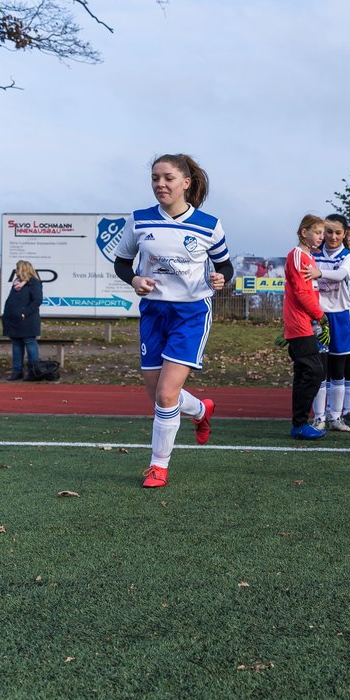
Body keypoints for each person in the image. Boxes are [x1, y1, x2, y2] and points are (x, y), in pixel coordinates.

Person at [113, 153, 232, 488]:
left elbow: (225, 267)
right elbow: (122, 263)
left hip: (191, 313)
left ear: (185, 183)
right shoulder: (139, 221)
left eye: (167, 178)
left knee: (167, 394)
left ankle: (158, 466)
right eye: (154, 178)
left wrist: (221, 278)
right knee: (158, 395)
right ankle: (200, 410)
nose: (160, 184)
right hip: (153, 313)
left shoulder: (209, 225)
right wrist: (134, 280)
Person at [314, 214, 350, 431]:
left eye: (338, 232)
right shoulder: (312, 254)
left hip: (341, 317)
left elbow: (341, 274)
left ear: (344, 234)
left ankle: (335, 417)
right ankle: (319, 417)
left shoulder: (349, 257)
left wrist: (318, 272)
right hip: (318, 317)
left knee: (338, 369)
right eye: (328, 231)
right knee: (320, 370)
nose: (333, 236)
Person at [284, 215, 327, 439]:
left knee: (306, 373)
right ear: (304, 233)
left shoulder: (309, 257)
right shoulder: (298, 255)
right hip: (300, 324)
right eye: (318, 232)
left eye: (322, 233)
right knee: (313, 371)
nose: (321, 237)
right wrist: (320, 316)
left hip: (305, 323)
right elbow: (301, 293)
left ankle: (299, 424)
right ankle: (300, 423)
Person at [1, 259, 43, 381]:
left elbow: (37, 301)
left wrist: (25, 312)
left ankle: (33, 371)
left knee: (30, 344)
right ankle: (17, 371)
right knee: (16, 345)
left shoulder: (34, 283)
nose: (16, 272)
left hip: (27, 321)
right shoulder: (16, 284)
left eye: (17, 269)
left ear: (24, 269)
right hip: (14, 320)